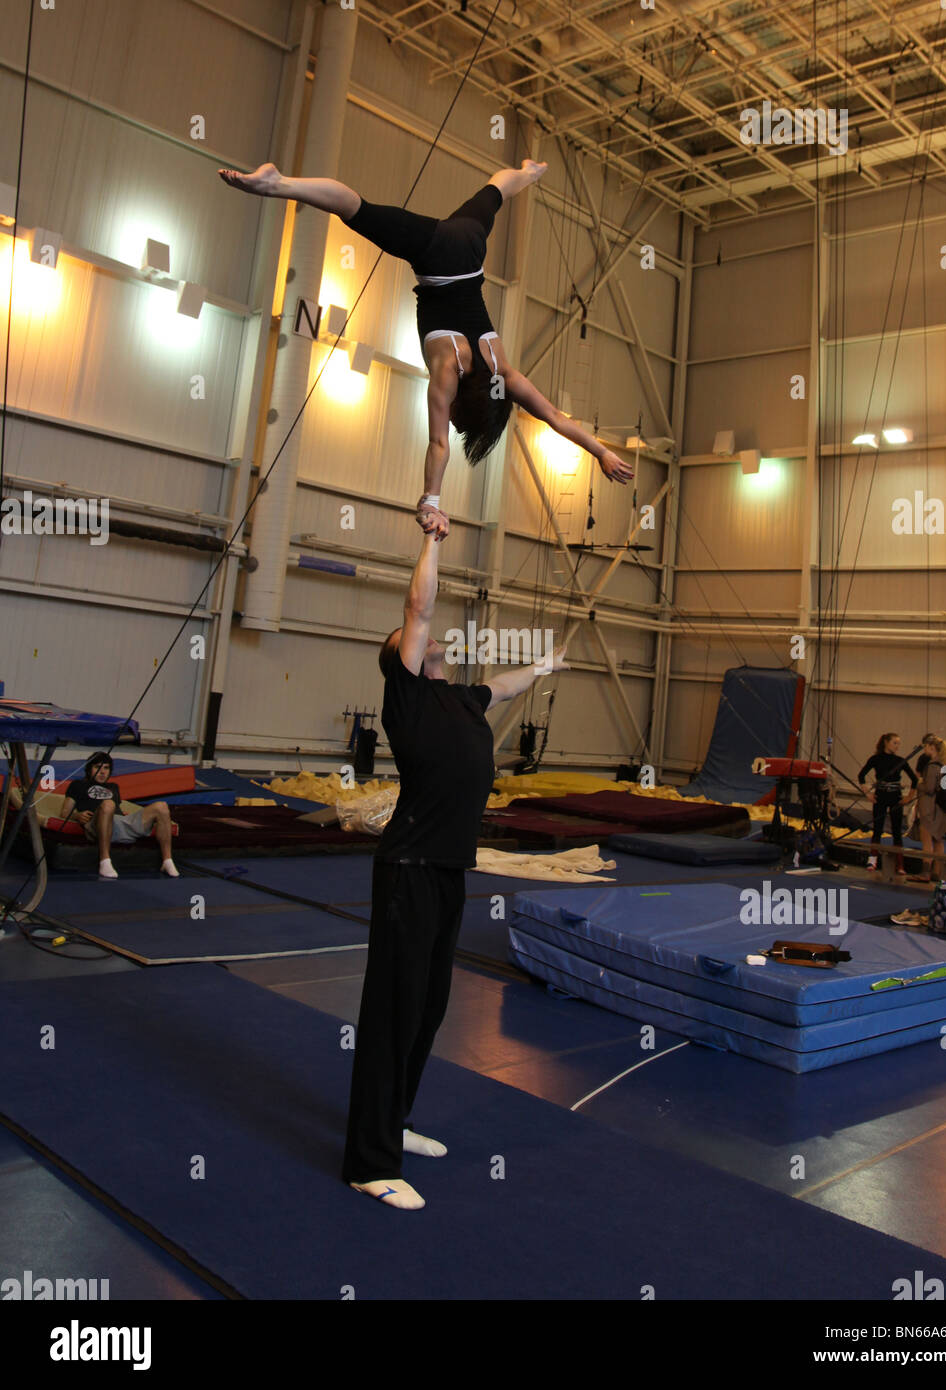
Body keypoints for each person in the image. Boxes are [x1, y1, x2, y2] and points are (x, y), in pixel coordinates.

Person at [218, 160, 634, 536]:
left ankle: (527, 173)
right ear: (462, 407)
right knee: (354, 209)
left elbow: (557, 419)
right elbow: (438, 445)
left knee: (496, 192)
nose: (452, 422)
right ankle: (275, 184)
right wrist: (431, 502)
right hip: (436, 254)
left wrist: (601, 452)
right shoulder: (447, 374)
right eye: (460, 421)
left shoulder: (504, 374)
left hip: (470, 249)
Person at [341, 525, 566, 1210]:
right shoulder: (406, 694)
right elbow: (419, 607)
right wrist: (432, 538)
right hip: (408, 866)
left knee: (430, 1006)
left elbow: (500, 684)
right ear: (401, 657)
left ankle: (397, 1121)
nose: (429, 639)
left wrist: (542, 669)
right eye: (414, 638)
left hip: (446, 870)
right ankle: (368, 1161)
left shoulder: (459, 698)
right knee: (393, 1009)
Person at [58, 753, 179, 880]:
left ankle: (167, 861)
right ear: (89, 769)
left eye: (106, 768)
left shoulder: (113, 787)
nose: (102, 772)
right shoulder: (77, 785)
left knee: (161, 806)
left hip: (119, 823)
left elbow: (119, 810)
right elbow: (65, 813)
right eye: (98, 767)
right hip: (96, 822)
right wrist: (77, 815)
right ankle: (104, 861)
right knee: (108, 804)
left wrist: (126, 816)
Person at [857, 732, 917, 873]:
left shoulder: (900, 760)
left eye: (898, 743)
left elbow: (914, 779)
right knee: (877, 829)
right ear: (886, 742)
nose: (897, 746)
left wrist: (909, 797)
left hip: (896, 796)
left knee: (897, 830)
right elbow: (861, 775)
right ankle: (872, 861)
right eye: (894, 743)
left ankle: (900, 864)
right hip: (880, 796)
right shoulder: (876, 759)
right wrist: (867, 793)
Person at [908, 735, 946, 883]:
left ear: (932, 748)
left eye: (927, 746)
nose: (925, 749)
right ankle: (936, 872)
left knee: (927, 840)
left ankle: (925, 872)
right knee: (938, 840)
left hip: (929, 808)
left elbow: (929, 788)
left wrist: (919, 783)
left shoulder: (932, 766)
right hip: (942, 809)